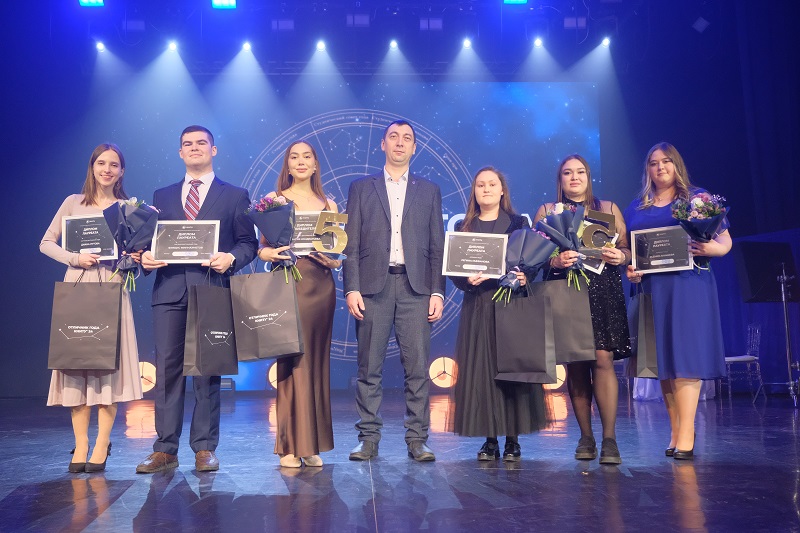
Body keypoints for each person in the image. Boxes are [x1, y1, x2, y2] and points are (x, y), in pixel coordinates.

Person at [136, 126, 258, 473]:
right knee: (167, 371)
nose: (194, 148)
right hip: (170, 290)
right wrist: (146, 258)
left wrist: (231, 258)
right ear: (180, 153)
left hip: (212, 289)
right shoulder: (161, 195)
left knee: (208, 370)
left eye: (201, 143)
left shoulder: (235, 195)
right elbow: (148, 243)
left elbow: (248, 243)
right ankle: (165, 449)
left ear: (213, 150)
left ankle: (204, 448)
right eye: (187, 144)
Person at [343, 119, 445, 462]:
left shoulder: (429, 190)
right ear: (382, 144)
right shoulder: (361, 187)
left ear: (414, 148)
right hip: (373, 287)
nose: (400, 143)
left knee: (416, 369)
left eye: (407, 138)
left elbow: (437, 246)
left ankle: (417, 439)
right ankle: (368, 439)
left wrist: (437, 292)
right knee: (368, 368)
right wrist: (351, 287)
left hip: (416, 289)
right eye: (393, 137)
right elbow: (350, 244)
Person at [624, 142, 730, 460]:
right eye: (654, 163)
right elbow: (632, 252)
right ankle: (675, 430)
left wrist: (710, 249)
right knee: (664, 363)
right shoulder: (637, 208)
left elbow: (725, 241)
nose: (660, 167)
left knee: (686, 358)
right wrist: (631, 269)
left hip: (688, 286)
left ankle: (687, 432)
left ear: (676, 164)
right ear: (647, 169)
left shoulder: (696, 199)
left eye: (666, 161)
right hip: (652, 289)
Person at [40, 143, 143, 473]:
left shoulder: (128, 208)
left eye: (114, 164)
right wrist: (74, 258)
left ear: (121, 171)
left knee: (107, 367)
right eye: (101, 163)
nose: (107, 169)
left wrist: (133, 258)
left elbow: (137, 256)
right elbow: (46, 243)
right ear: (92, 167)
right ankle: (81, 443)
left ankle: (102, 443)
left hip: (112, 287)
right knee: (78, 363)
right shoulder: (73, 202)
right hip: (79, 284)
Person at [533, 154, 631, 465]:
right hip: (566, 290)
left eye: (580, 172)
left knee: (603, 358)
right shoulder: (548, 211)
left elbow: (627, 249)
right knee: (576, 363)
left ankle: (610, 439)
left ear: (588, 176)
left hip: (603, 289)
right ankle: (586, 437)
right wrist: (555, 260)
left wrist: (622, 256)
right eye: (567, 173)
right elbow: (534, 258)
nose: (574, 177)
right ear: (560, 179)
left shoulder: (608, 209)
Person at [448, 167, 550, 461]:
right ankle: (490, 439)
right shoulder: (464, 226)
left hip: (509, 304)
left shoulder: (518, 223)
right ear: (474, 191)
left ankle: (513, 440)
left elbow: (531, 261)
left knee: (511, 371)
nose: (486, 189)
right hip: (479, 305)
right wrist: (466, 280)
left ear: (502, 190)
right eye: (481, 185)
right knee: (483, 373)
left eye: (492, 184)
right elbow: (454, 270)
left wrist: (525, 275)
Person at [257, 141, 339, 468]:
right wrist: (270, 253)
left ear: (316, 164)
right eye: (294, 157)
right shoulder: (274, 200)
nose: (301, 161)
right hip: (290, 283)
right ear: (287, 165)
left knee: (316, 363)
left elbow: (335, 251)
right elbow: (262, 248)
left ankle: (310, 443)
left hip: (321, 286)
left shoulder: (328, 203)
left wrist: (335, 261)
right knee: (292, 361)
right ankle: (290, 445)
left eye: (307, 157)